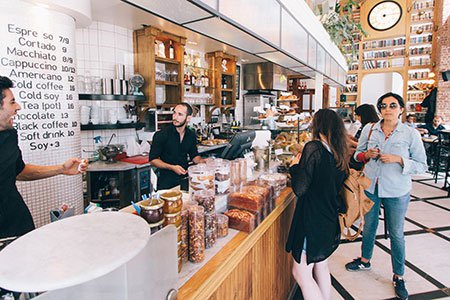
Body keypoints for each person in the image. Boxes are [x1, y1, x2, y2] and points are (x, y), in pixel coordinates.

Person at [345, 92, 427, 300]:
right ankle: (365, 260)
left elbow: (421, 165)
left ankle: (399, 275)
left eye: (392, 105)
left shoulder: (410, 134)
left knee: (396, 233)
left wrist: (400, 160)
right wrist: (366, 155)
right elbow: (357, 155)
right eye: (383, 106)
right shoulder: (370, 129)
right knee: (369, 226)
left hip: (397, 190)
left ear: (401, 109)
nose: (387, 109)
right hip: (372, 187)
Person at [0, 75, 88, 239]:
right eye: (12, 102)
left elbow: (18, 171)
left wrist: (61, 169)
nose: (18, 107)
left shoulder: (9, 135)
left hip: (17, 226)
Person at [286, 109, 349, 300]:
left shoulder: (314, 148)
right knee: (321, 266)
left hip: (312, 221)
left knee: (301, 274)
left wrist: (295, 166)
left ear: (317, 125)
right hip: (328, 219)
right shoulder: (339, 152)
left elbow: (300, 188)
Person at [149, 103, 205, 190]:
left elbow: (194, 156)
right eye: (174, 113)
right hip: (166, 183)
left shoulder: (191, 135)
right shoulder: (161, 135)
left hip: (185, 180)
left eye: (180, 114)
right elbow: (153, 160)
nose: (175, 117)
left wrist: (204, 162)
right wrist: (172, 167)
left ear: (188, 118)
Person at [349, 104, 380, 170]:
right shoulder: (368, 127)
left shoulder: (370, 127)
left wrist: (350, 142)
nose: (357, 118)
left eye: (358, 115)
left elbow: (364, 147)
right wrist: (353, 139)